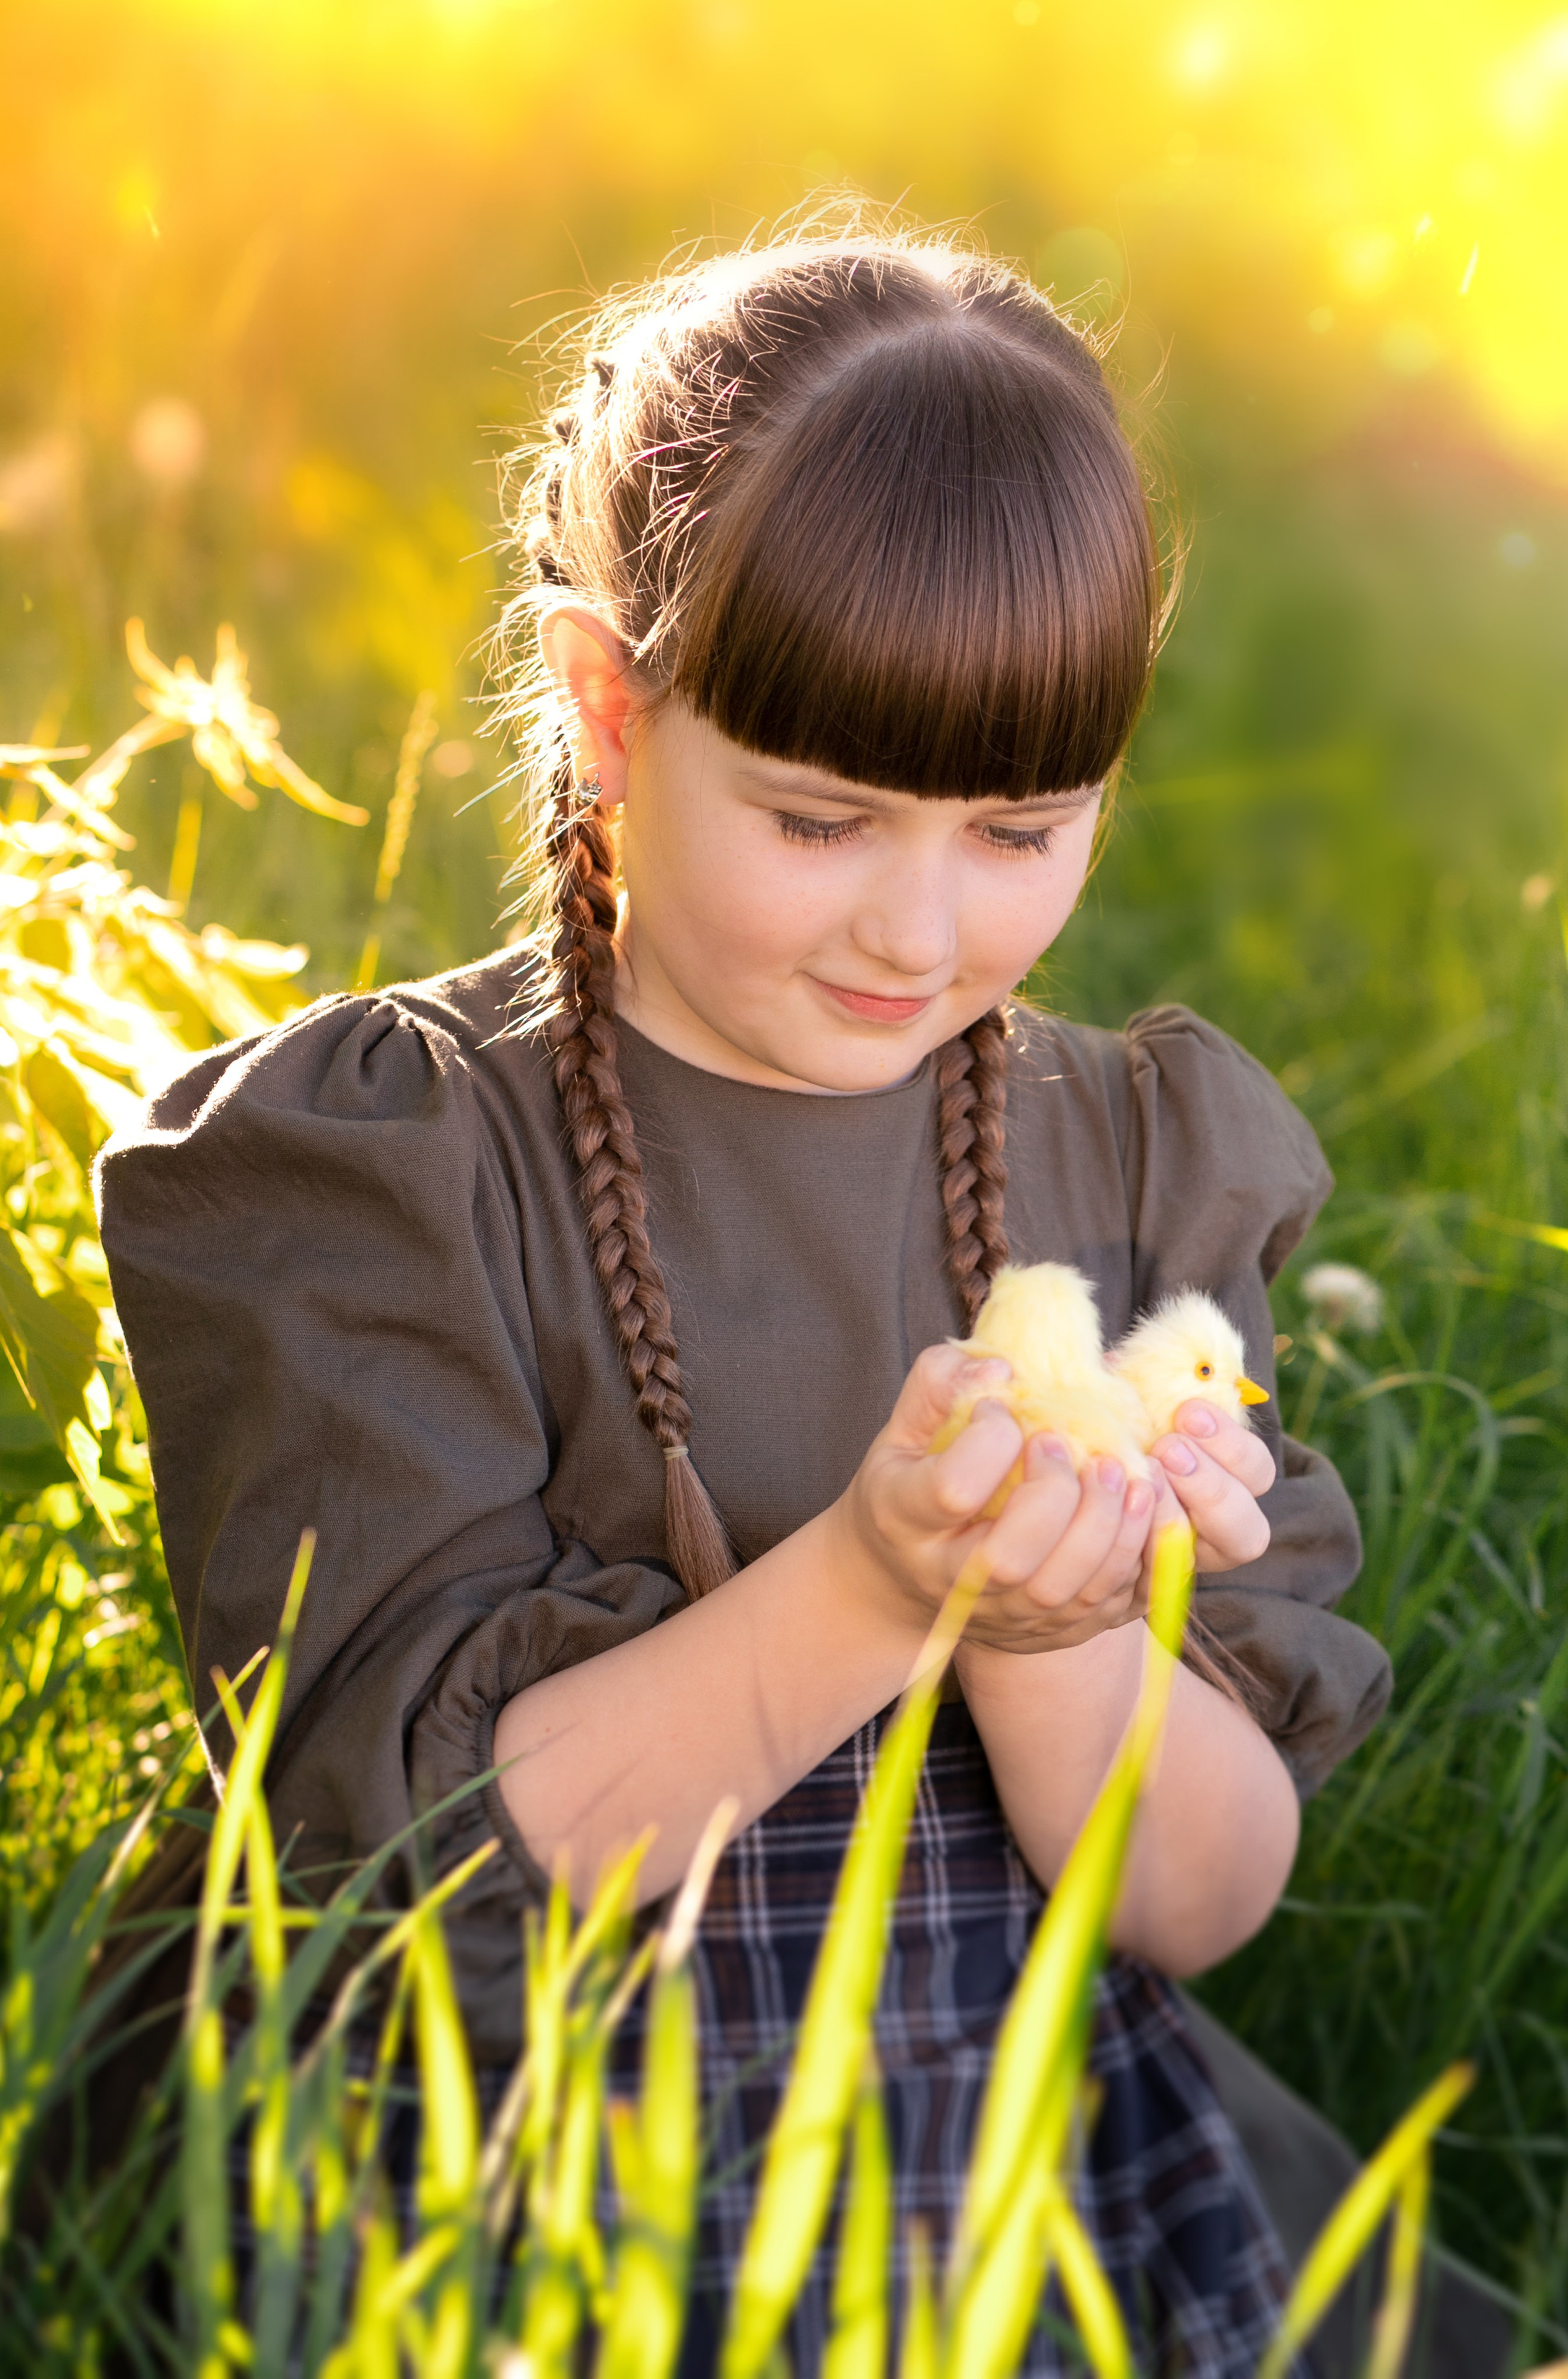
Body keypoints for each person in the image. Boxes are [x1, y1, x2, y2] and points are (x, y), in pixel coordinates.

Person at [96, 225, 1393, 2375]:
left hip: (988, 2161)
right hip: (491, 2178)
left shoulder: (1129, 1163)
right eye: (819, 818)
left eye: (1022, 826)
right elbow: (410, 1886)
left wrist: (1061, 1644)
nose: (919, 922)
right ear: (611, 707)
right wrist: (879, 1587)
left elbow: (1192, 1906)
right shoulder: (382, 1172)